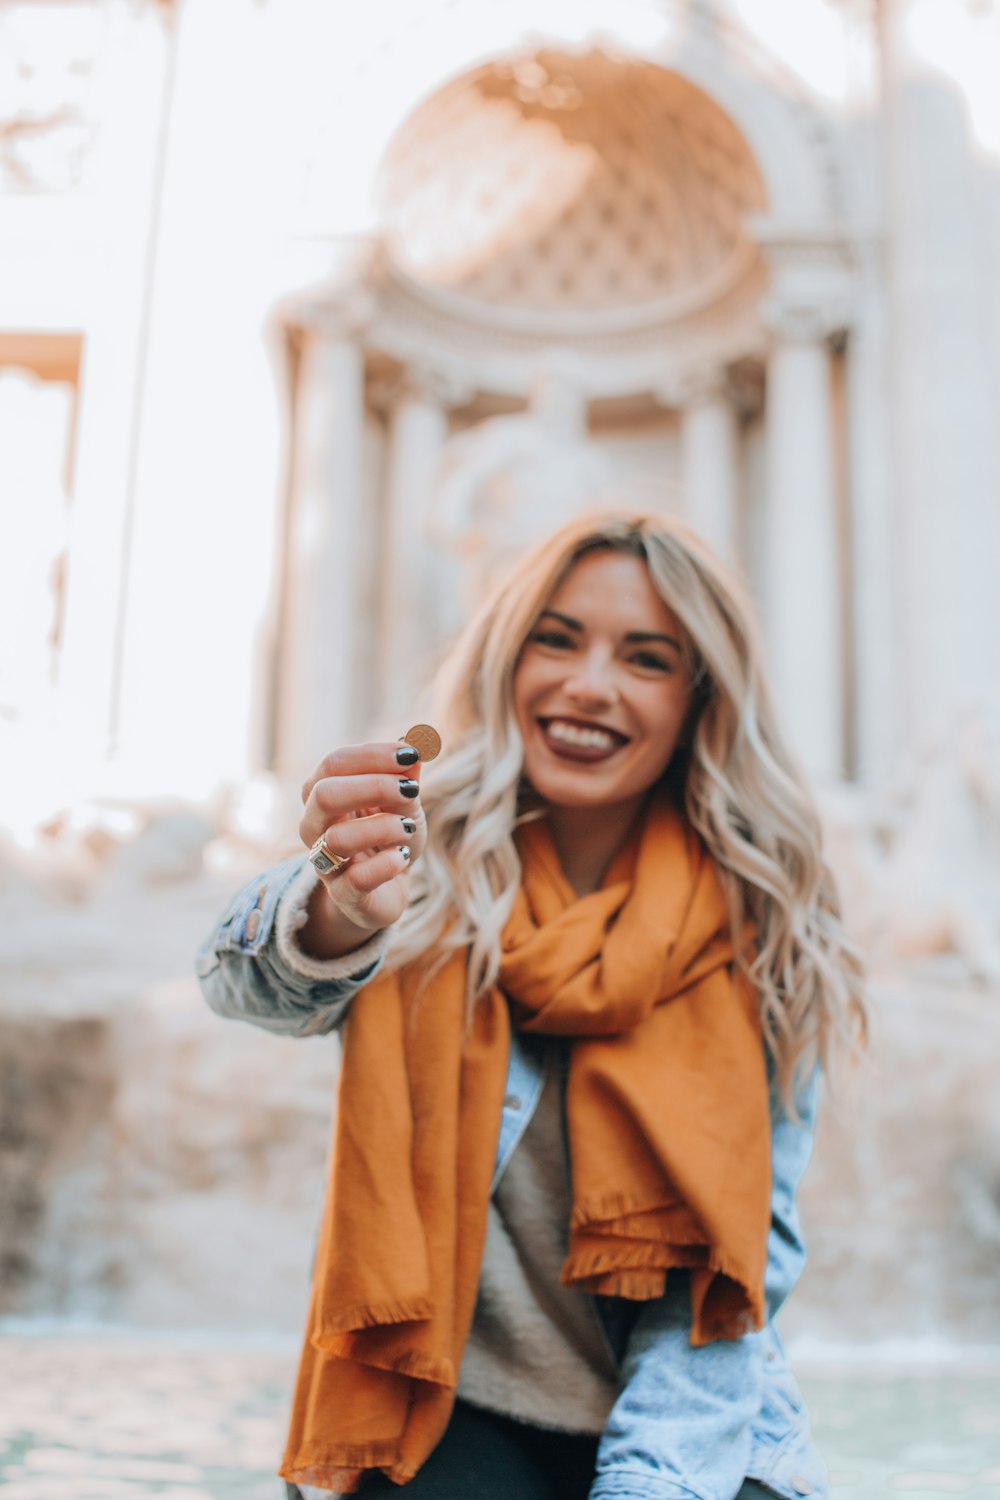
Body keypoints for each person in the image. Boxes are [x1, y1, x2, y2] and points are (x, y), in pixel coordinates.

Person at [197, 510, 866, 1500]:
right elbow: (240, 985)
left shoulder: (763, 920)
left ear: (696, 701)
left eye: (645, 658)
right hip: (440, 1405)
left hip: (691, 1418)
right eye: (556, 638)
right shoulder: (418, 858)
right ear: (507, 658)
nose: (587, 684)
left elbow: (736, 1282)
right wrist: (332, 910)